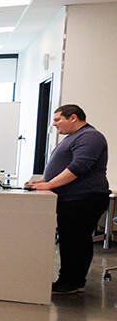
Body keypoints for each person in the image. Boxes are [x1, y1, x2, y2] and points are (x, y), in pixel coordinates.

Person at [25, 104, 110, 294]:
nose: (54, 125)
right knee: (70, 239)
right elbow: (64, 166)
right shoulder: (74, 137)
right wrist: (44, 180)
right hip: (74, 198)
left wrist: (49, 185)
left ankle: (71, 282)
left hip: (84, 198)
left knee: (75, 241)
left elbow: (79, 166)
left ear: (73, 117)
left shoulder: (90, 136)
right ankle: (71, 280)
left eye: (57, 120)